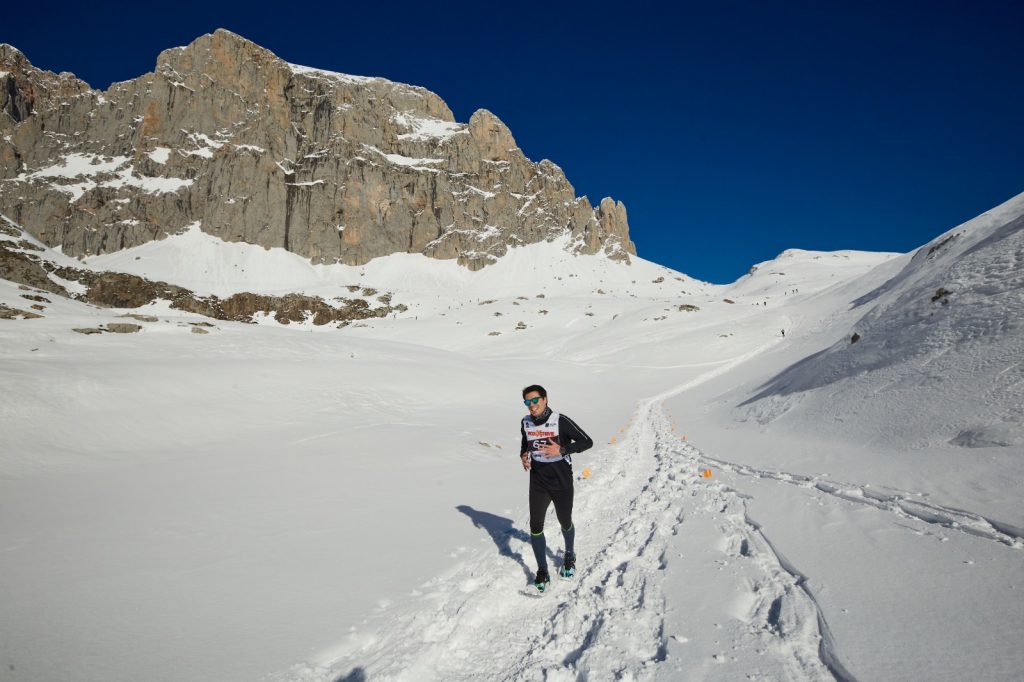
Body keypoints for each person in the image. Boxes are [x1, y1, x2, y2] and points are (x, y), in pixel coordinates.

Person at [519, 384, 593, 591]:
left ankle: (569, 554)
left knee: (565, 521)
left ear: (545, 399)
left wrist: (562, 449)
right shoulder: (525, 422)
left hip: (561, 482)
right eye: (527, 402)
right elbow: (526, 442)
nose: (532, 406)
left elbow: (587, 441)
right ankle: (542, 572)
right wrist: (523, 455)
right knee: (535, 526)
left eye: (535, 400)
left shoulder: (560, 421)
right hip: (538, 482)